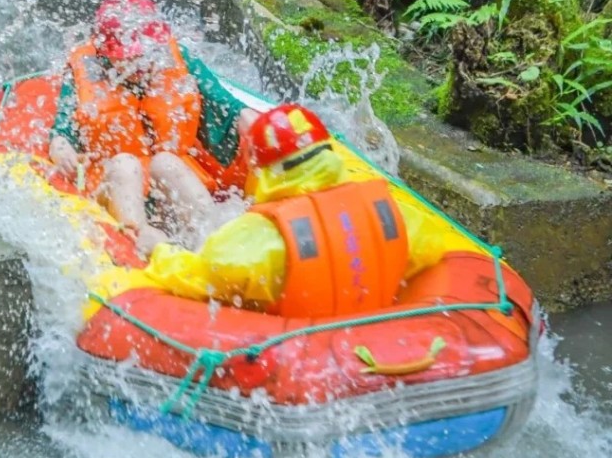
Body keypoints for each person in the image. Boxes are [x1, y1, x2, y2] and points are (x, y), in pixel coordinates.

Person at [141, 102, 477, 315]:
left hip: (299, 360)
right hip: (388, 346)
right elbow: (441, 251)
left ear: (260, 169)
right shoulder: (393, 213)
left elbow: (198, 277)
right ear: (328, 150)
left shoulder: (257, 239)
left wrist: (159, 249)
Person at [48, 0, 254, 256]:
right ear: (104, 52)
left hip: (169, 192)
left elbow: (223, 103)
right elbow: (62, 127)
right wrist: (61, 146)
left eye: (145, 53)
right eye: (129, 57)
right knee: (126, 164)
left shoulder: (175, 58)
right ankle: (139, 238)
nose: (139, 62)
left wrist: (247, 118)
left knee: (166, 162)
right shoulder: (84, 71)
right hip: (116, 186)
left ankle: (212, 235)